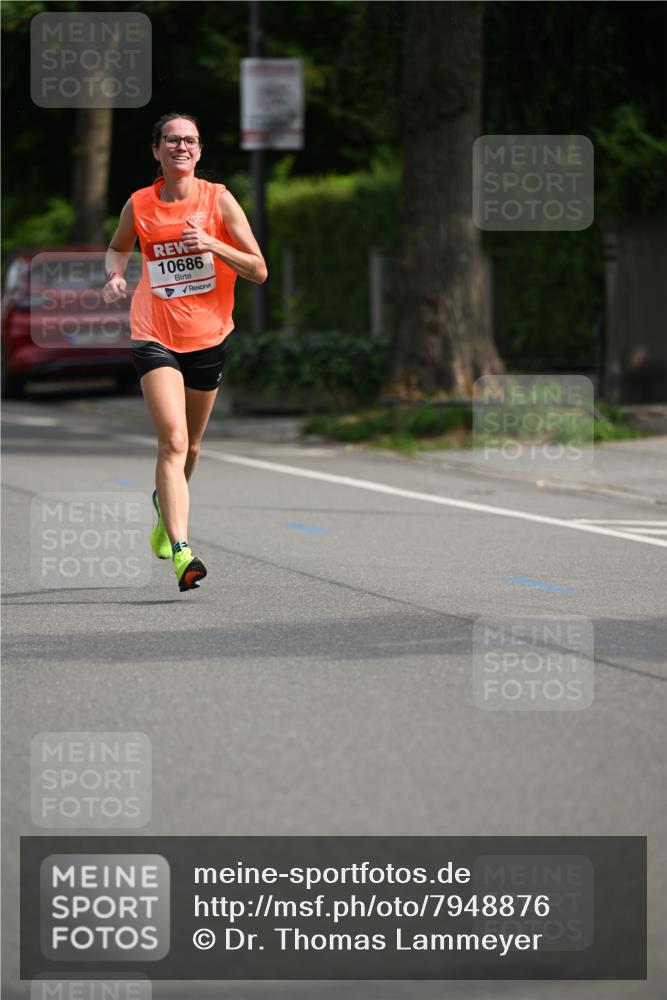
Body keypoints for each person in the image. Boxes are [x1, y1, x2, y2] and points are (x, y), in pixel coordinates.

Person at [102, 112, 267, 592]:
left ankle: (163, 509)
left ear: (199, 151)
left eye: (190, 140)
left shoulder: (219, 200)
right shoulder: (140, 203)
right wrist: (115, 274)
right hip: (153, 331)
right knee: (173, 440)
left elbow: (258, 270)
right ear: (156, 151)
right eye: (172, 140)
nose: (181, 147)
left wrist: (212, 242)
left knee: (192, 446)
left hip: (209, 336)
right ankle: (182, 551)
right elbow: (117, 247)